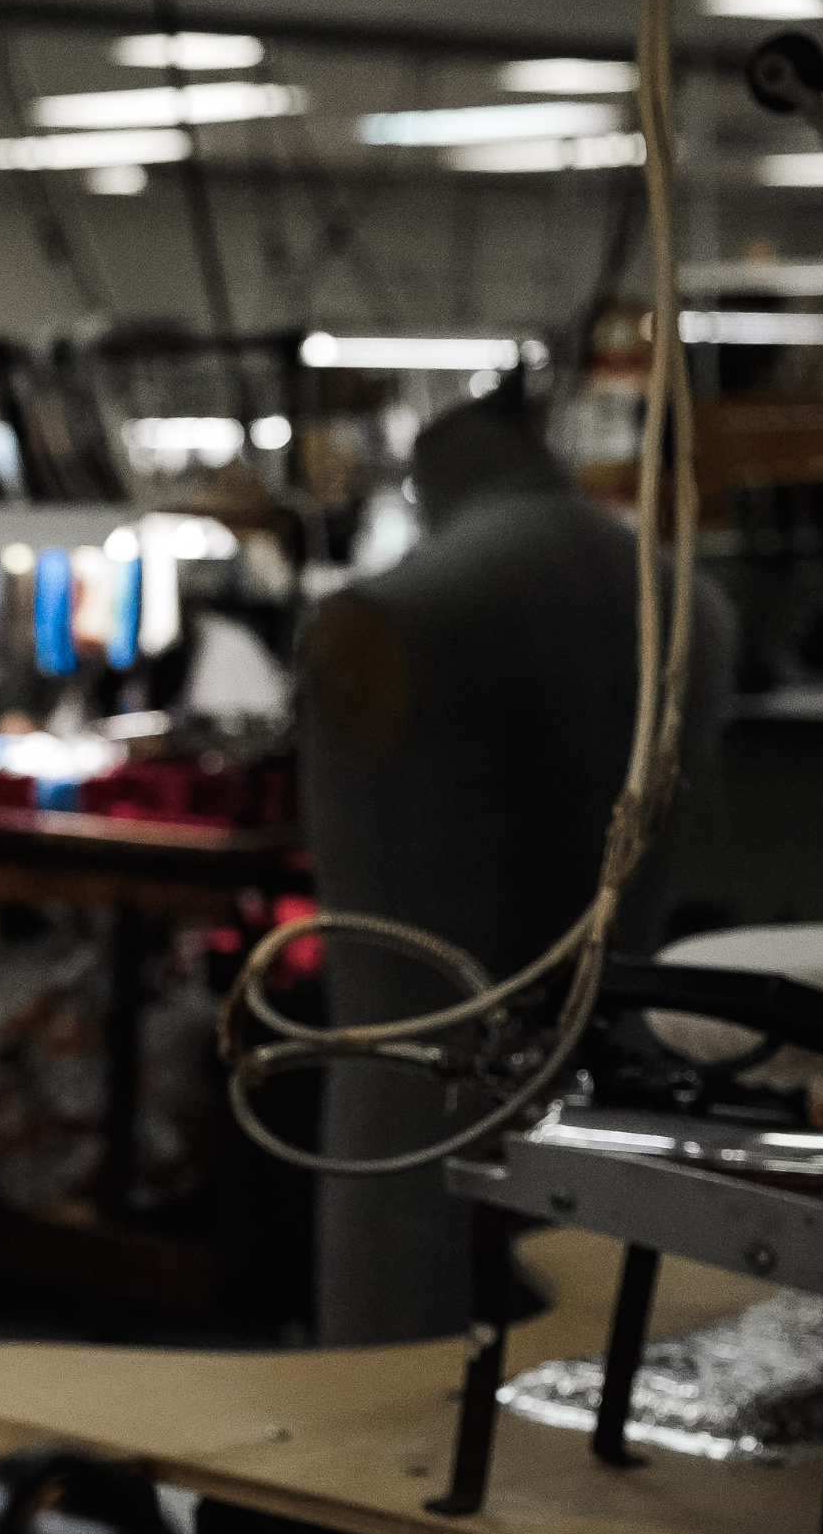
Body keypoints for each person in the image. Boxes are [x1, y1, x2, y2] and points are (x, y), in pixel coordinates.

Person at [302, 387, 731, 1341]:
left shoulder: (395, 611)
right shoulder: (688, 596)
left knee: (401, 1410)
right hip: (614, 1092)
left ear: (426, 476)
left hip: (416, 1118)